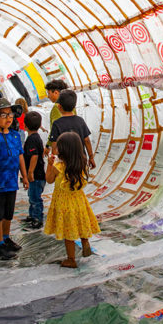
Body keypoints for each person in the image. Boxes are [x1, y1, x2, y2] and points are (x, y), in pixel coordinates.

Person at [0, 98, 29, 260]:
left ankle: (6, 237)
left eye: (10, 114)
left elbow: (20, 157)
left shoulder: (15, 136)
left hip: (11, 182)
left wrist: (24, 175)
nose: (8, 118)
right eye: (3, 115)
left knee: (8, 213)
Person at [44, 131, 100, 268]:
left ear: (63, 150)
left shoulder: (58, 166)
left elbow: (49, 180)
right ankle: (85, 241)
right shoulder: (82, 163)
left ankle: (71, 259)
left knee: (68, 231)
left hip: (64, 203)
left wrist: (49, 165)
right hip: (79, 200)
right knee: (80, 222)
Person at [48, 89, 96, 169]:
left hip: (64, 164)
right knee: (80, 181)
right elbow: (87, 140)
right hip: (80, 162)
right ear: (74, 106)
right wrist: (91, 157)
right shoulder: (80, 121)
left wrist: (54, 164)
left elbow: (54, 147)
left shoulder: (57, 124)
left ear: (59, 107)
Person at [23, 111, 45, 229]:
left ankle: (38, 218)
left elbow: (35, 156)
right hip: (39, 174)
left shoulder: (32, 139)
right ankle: (32, 215)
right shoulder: (36, 138)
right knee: (32, 195)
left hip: (36, 175)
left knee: (35, 197)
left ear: (25, 126)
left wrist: (30, 172)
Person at [44, 79, 69, 156]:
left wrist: (48, 146)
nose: (48, 96)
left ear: (56, 92)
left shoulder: (57, 107)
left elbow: (56, 129)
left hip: (61, 146)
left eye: (49, 93)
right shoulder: (71, 106)